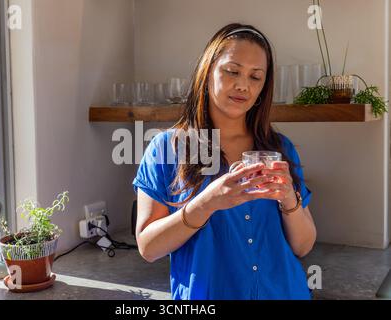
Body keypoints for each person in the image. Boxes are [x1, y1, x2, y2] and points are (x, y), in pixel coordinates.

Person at [132, 23, 317, 300]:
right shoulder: (167, 149)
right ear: (207, 73)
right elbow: (148, 247)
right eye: (232, 71)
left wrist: (290, 200)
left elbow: (303, 246)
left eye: (256, 77)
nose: (243, 85)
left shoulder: (280, 149)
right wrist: (206, 203)